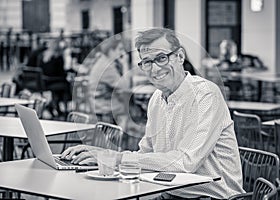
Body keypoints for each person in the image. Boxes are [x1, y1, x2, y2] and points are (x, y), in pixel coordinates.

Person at [61, 28, 244, 199]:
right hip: (170, 191)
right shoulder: (156, 99)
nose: (155, 69)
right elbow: (145, 153)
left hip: (214, 196)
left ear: (180, 56)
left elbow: (185, 162)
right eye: (147, 62)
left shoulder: (205, 94)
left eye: (162, 58)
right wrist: (103, 158)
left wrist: (115, 159)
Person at [86, 35, 130, 125]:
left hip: (97, 103)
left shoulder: (102, 61)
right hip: (104, 106)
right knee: (130, 108)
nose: (122, 52)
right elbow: (125, 87)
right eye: (120, 49)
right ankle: (118, 136)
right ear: (111, 51)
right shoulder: (107, 67)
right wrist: (125, 64)